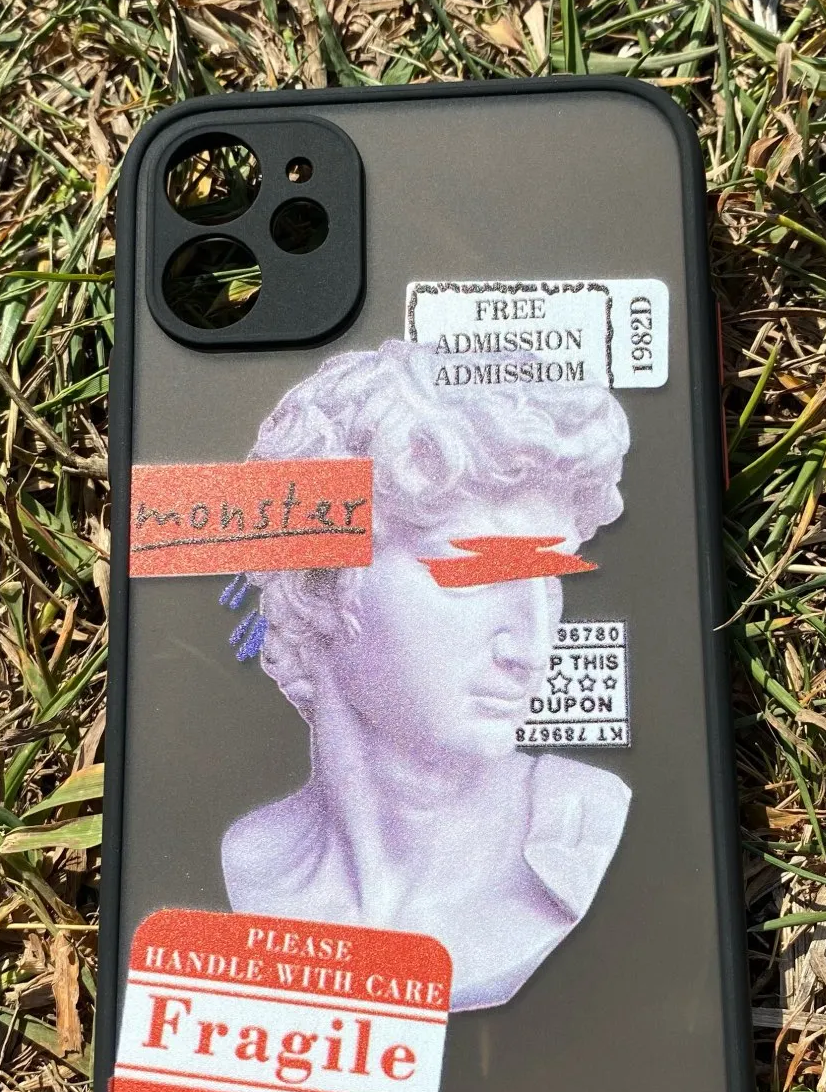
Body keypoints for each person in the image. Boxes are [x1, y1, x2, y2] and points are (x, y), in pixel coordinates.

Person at [222, 339, 631, 1012]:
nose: (533, 648)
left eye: (551, 578)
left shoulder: (579, 831)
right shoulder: (251, 861)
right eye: (474, 571)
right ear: (322, 581)